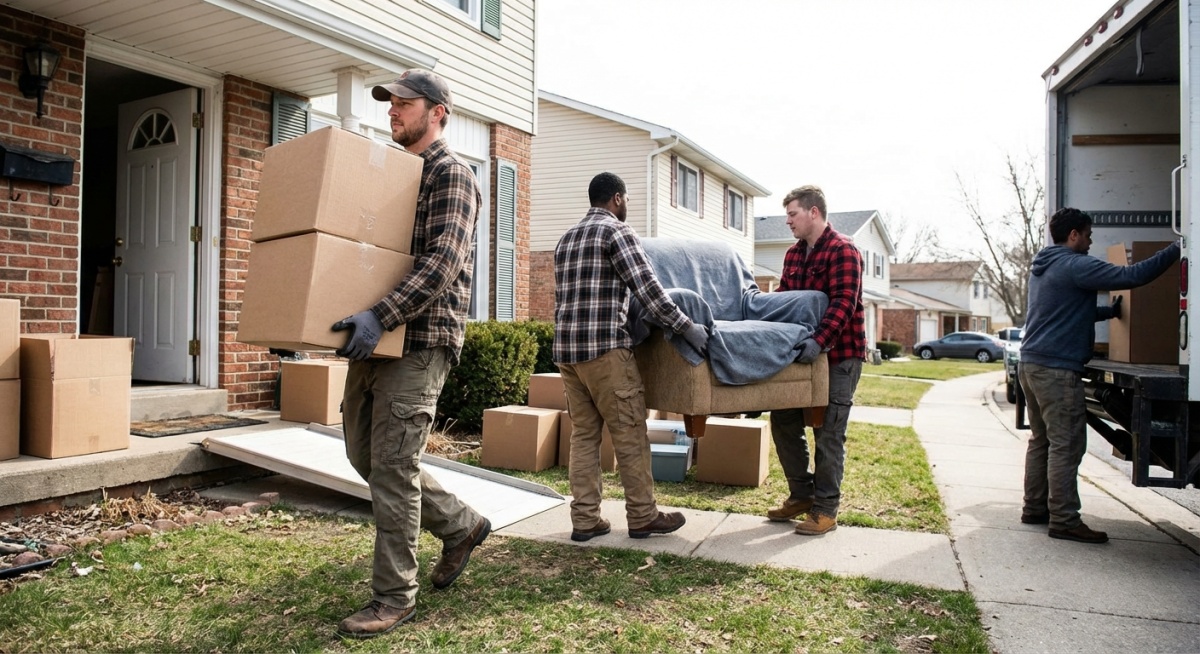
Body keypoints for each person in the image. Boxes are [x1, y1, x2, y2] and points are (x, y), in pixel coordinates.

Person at [330, 69, 490, 639]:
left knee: (394, 469)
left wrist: (380, 314)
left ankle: (393, 596)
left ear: (439, 110)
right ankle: (462, 525)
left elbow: (441, 266)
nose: (392, 111)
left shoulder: (453, 176)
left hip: (420, 342)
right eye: (389, 103)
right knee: (364, 457)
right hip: (376, 341)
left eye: (405, 102)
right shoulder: (395, 177)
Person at [553, 172, 710, 542]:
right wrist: (687, 327)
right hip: (607, 351)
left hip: (568, 355)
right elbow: (649, 290)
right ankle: (643, 516)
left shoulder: (566, 240)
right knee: (629, 435)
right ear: (618, 199)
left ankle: (585, 519)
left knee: (584, 437)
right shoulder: (617, 232)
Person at [1019, 207, 1179, 544]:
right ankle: (1064, 520)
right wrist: (1179, 247)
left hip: (1031, 365)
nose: (1090, 241)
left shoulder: (1043, 265)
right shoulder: (1076, 264)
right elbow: (1132, 276)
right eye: (1088, 235)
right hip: (1057, 370)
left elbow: (1065, 310)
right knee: (1067, 445)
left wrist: (1109, 312)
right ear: (1073, 235)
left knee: (1042, 441)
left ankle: (1035, 508)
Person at [766, 185, 866, 536]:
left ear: (813, 212)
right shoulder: (793, 255)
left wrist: (819, 341)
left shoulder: (843, 250)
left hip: (840, 355)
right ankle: (801, 494)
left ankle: (826, 510)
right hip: (800, 356)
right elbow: (784, 300)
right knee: (783, 419)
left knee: (828, 432)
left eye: (792, 214)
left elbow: (844, 302)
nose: (788, 222)